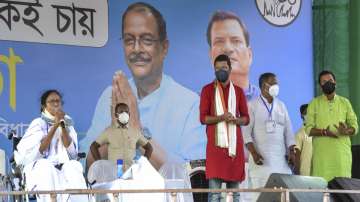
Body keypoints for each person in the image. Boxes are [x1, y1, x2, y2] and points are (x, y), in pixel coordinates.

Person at [81, 2, 206, 171]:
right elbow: (85, 166)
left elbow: (193, 175)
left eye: (147, 40)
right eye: (129, 40)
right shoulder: (110, 96)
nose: (136, 49)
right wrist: (113, 132)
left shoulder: (190, 104)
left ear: (164, 48)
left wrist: (136, 130)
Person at [15, 90, 87, 202]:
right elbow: (37, 151)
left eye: (58, 101)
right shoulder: (38, 123)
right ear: (44, 105)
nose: (56, 103)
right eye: (52, 101)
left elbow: (72, 153)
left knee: (74, 166)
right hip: (41, 165)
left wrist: (62, 125)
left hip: (62, 167)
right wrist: (55, 126)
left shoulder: (67, 123)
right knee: (46, 166)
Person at [200, 54, 249, 202]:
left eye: (224, 68)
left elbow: (246, 118)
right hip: (216, 150)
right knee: (214, 194)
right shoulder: (208, 90)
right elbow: (203, 118)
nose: (220, 70)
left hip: (234, 151)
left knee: (235, 195)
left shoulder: (238, 91)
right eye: (217, 68)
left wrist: (235, 120)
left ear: (230, 68)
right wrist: (221, 117)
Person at [242, 73, 297, 201]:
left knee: (283, 197)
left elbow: (289, 132)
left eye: (276, 83)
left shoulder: (281, 106)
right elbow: (245, 133)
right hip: (261, 163)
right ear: (263, 86)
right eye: (272, 83)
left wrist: (292, 151)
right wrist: (254, 153)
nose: (275, 86)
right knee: (261, 197)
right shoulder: (252, 105)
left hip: (282, 164)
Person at [305, 70, 358, 181]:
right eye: (324, 81)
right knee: (323, 193)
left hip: (342, 157)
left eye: (330, 80)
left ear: (335, 83)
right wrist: (324, 132)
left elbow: (355, 125)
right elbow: (308, 129)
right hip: (322, 158)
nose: (328, 83)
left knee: (343, 192)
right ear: (320, 86)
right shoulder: (314, 103)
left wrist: (347, 131)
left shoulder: (345, 102)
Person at [207, 10, 260, 101]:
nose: (228, 48)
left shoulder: (269, 105)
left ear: (249, 55)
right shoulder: (196, 105)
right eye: (219, 42)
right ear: (211, 56)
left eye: (236, 41)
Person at [89, 103, 152, 173]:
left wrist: (142, 165)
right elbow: (93, 146)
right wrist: (100, 164)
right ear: (116, 115)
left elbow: (149, 148)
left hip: (131, 174)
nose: (124, 114)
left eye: (126, 112)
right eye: (121, 112)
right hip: (113, 174)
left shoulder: (135, 132)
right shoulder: (109, 131)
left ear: (129, 115)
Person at [294, 104, 312, 176]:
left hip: (318, 172)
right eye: (306, 113)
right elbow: (297, 155)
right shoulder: (300, 133)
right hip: (305, 173)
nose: (309, 115)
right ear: (302, 115)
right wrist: (297, 173)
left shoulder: (318, 132)